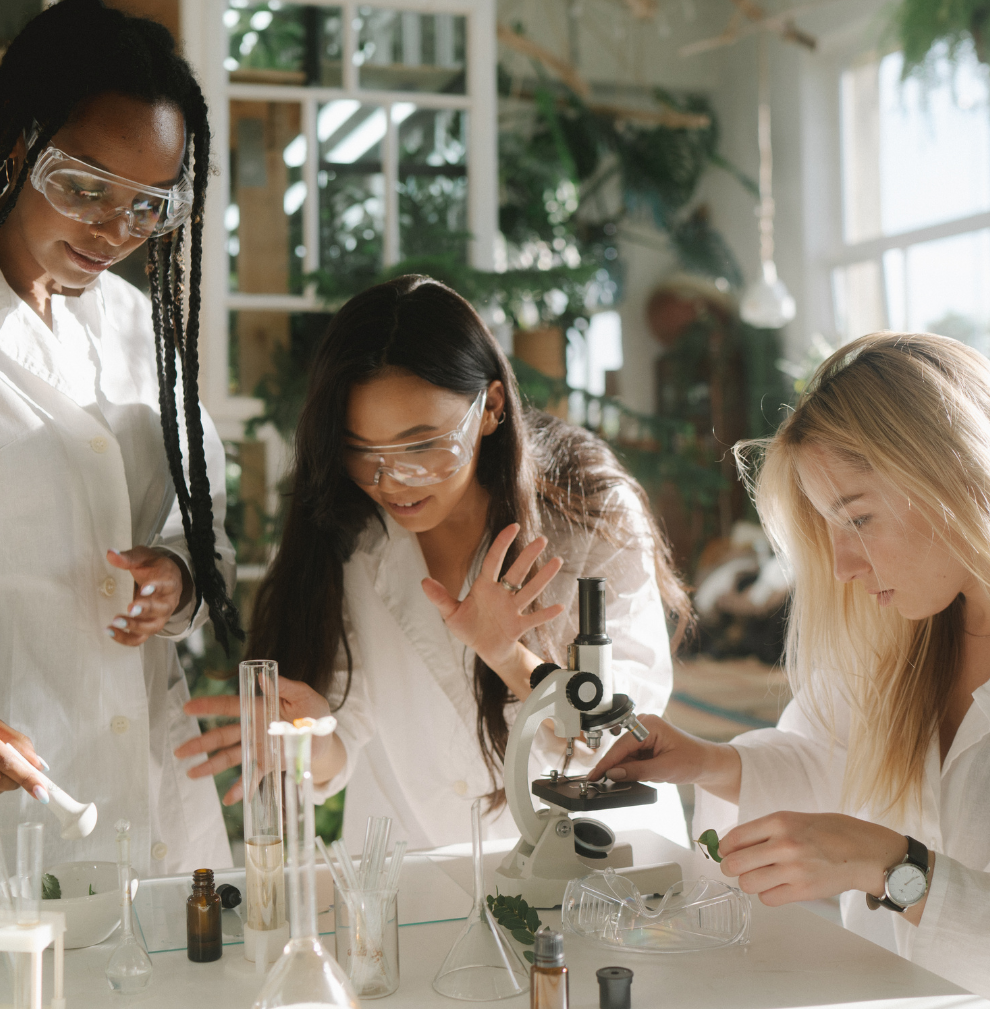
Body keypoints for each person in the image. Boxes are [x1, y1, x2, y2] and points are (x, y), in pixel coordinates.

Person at [0, 0, 242, 893]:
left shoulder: (138, 329)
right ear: (9, 143)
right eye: (86, 186)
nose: (112, 233)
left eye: (146, 208)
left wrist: (179, 577)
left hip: (158, 807)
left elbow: (202, 516)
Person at [177, 276, 690, 849]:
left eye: (422, 446)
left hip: (595, 868)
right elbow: (341, 741)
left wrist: (508, 655)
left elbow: (626, 736)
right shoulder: (349, 532)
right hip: (420, 874)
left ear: (491, 407)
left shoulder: (592, 513)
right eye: (361, 451)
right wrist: (313, 740)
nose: (391, 481)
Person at [592, 331, 990, 997]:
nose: (841, 566)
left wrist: (894, 867)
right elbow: (830, 758)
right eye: (827, 529)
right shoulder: (900, 636)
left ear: (950, 473)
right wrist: (711, 762)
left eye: (858, 519)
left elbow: (880, 857)